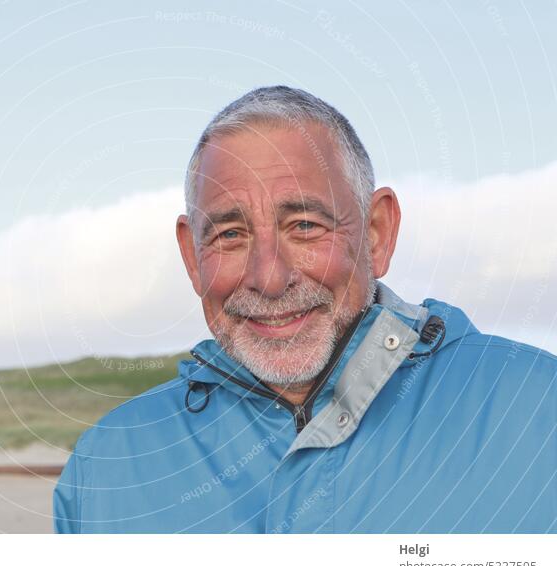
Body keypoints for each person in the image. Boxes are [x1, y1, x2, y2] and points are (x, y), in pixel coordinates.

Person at [53, 86, 557, 533]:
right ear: (192, 257)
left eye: (305, 226)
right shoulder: (105, 468)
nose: (268, 278)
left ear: (377, 234)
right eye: (230, 235)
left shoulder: (539, 414)